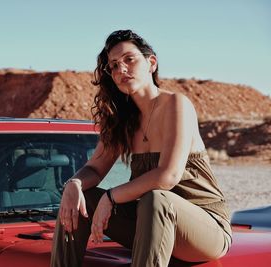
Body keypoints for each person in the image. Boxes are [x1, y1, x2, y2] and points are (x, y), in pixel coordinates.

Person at [50, 29, 232, 267]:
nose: (121, 69)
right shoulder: (121, 120)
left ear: (151, 63)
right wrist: (73, 185)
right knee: (79, 198)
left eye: (129, 59)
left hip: (205, 229)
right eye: (113, 65)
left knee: (156, 199)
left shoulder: (176, 104)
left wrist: (111, 197)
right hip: (149, 226)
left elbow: (168, 176)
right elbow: (95, 168)